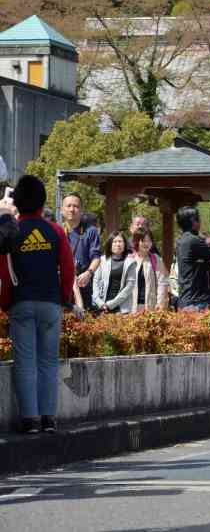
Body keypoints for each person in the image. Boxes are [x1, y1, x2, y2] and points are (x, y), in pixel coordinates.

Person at [2, 176, 75, 433]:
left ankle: (30, 419)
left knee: (26, 362)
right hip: (50, 303)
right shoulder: (55, 231)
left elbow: (4, 272)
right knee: (48, 361)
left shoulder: (11, 230)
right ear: (43, 201)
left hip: (21, 302)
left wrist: (6, 303)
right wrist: (64, 297)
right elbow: (68, 268)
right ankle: (48, 418)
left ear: (18, 201)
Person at [61, 193, 101, 313]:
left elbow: (96, 257)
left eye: (76, 206)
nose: (72, 209)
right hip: (62, 285)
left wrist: (88, 273)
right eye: (68, 206)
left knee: (84, 322)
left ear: (81, 210)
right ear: (62, 209)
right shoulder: (57, 230)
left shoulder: (91, 231)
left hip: (83, 284)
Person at [92, 231, 138, 314]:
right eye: (115, 242)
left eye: (120, 242)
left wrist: (112, 304)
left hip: (122, 309)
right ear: (110, 245)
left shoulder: (131, 262)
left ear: (124, 244)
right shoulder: (102, 260)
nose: (118, 244)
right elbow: (96, 281)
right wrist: (99, 302)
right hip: (102, 306)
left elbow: (129, 287)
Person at [130, 229, 169, 311]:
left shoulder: (156, 259)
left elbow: (162, 282)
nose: (147, 243)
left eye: (149, 240)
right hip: (132, 306)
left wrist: (160, 303)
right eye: (143, 241)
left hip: (151, 306)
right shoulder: (130, 259)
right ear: (137, 242)